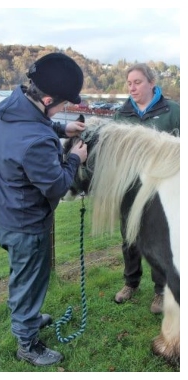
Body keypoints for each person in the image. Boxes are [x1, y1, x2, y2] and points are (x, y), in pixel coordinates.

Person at [0, 52, 88, 366]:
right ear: (45, 98)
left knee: (24, 277)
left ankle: (27, 318)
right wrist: (76, 159)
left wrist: (61, 128)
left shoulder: (11, 108)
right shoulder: (36, 141)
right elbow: (58, 186)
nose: (63, 109)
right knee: (29, 283)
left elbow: (34, 125)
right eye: (62, 105)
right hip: (26, 226)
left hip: (5, 214)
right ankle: (27, 343)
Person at [111, 63, 180, 314]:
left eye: (137, 82)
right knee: (129, 237)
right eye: (129, 83)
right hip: (129, 189)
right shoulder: (122, 114)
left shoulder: (173, 112)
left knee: (158, 240)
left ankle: (160, 291)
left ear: (152, 83)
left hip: (160, 191)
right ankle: (131, 283)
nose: (132, 87)